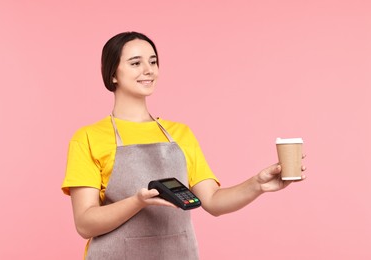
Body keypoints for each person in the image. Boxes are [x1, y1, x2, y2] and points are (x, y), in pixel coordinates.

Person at [61, 31, 306, 260]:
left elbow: (213, 201)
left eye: (153, 61)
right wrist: (137, 201)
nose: (148, 70)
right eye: (136, 63)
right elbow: (85, 223)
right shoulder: (88, 138)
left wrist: (257, 185)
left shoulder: (180, 134)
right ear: (113, 74)